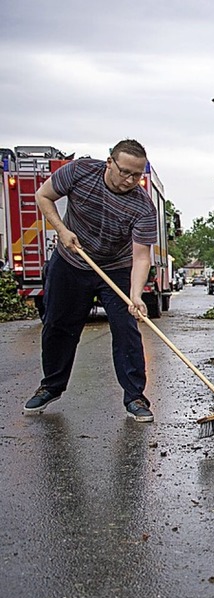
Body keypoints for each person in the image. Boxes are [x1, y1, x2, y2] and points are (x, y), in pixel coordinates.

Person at [23, 139, 158, 421]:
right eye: (125, 172)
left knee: (126, 328)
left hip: (115, 267)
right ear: (109, 162)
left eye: (137, 175)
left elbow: (141, 257)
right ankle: (51, 386)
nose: (131, 180)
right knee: (58, 325)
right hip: (70, 261)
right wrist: (61, 229)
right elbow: (43, 196)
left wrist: (135, 295)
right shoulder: (79, 172)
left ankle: (135, 397)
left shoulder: (143, 207)